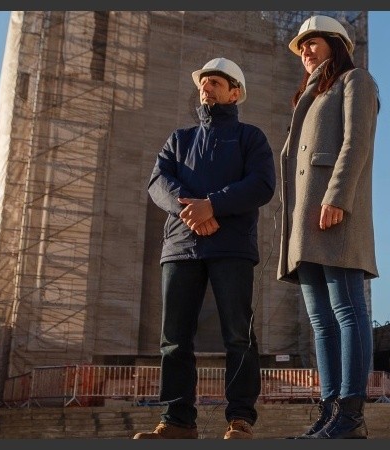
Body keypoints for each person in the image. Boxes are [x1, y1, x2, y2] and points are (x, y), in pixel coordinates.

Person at [133, 57, 275, 440]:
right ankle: (177, 421)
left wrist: (212, 205)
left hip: (232, 248)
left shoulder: (251, 138)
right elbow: (158, 183)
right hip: (181, 247)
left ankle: (240, 420)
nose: (205, 88)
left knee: (238, 335)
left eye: (214, 82)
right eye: (202, 83)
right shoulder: (179, 139)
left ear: (235, 93)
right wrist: (194, 211)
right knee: (174, 339)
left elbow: (262, 184)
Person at [277, 15, 380, 439]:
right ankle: (329, 411)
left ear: (336, 44)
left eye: (312, 42)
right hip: (305, 222)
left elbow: (357, 142)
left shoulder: (356, 81)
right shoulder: (309, 94)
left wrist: (337, 197)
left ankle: (351, 413)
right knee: (321, 321)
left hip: (334, 211)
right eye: (301, 46)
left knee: (348, 310)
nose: (304, 50)